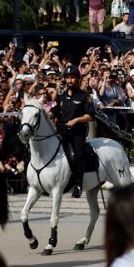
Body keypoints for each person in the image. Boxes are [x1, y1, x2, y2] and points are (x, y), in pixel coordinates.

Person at [53, 64, 96, 197]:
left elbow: (90, 116)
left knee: (78, 155)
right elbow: (54, 113)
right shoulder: (60, 97)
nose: (70, 80)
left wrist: (76, 120)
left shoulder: (85, 96)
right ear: (64, 79)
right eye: (68, 78)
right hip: (61, 133)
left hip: (77, 133)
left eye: (73, 78)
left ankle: (78, 184)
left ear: (77, 79)